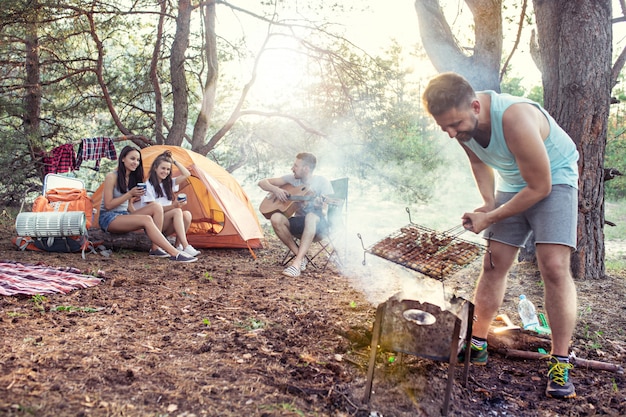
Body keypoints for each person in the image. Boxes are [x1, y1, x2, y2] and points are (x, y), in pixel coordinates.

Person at [422, 72, 579, 399]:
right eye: (444, 128)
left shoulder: (515, 117)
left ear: (476, 105)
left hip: (555, 179)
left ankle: (561, 361)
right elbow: (479, 162)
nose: (452, 134)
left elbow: (540, 187)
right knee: (494, 264)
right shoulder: (464, 125)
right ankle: (477, 343)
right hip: (514, 183)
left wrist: (490, 218)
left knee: (552, 266)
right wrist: (489, 203)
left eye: (455, 125)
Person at [98, 145, 197, 263]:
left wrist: (135, 216)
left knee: (156, 207)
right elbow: (108, 205)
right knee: (147, 219)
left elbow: (129, 205)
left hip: (124, 215)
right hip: (109, 217)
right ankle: (175, 253)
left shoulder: (133, 178)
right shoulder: (112, 177)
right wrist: (130, 194)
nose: (136, 162)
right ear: (123, 158)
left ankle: (155, 248)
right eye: (132, 159)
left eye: (138, 160)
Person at [258, 153, 334, 277]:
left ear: (306, 169)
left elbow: (325, 211)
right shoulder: (291, 179)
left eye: (296, 166)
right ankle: (300, 256)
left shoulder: (322, 182)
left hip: (319, 226)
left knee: (310, 216)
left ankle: (296, 264)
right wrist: (276, 190)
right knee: (275, 218)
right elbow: (262, 182)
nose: (292, 168)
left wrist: (316, 205)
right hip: (299, 223)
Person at [133, 150, 201, 257]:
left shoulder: (169, 183)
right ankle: (186, 245)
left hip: (166, 223)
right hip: (154, 225)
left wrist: (173, 161)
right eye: (163, 168)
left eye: (168, 169)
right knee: (177, 211)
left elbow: (187, 174)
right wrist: (174, 206)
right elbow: (155, 209)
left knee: (187, 214)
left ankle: (179, 246)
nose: (166, 171)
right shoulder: (148, 185)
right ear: (155, 168)